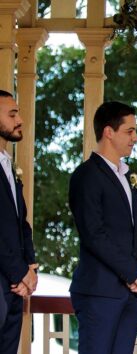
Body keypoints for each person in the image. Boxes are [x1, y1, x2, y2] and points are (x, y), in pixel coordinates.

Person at [68, 101, 137, 354]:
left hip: (128, 293)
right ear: (108, 132)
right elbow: (93, 234)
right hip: (98, 292)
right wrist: (132, 271)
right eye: (129, 131)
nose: (136, 138)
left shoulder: (127, 177)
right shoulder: (86, 175)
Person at [0, 90, 38, 353]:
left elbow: (20, 223)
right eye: (12, 114)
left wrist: (30, 269)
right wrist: (19, 272)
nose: (20, 119)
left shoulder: (8, 165)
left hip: (13, 287)